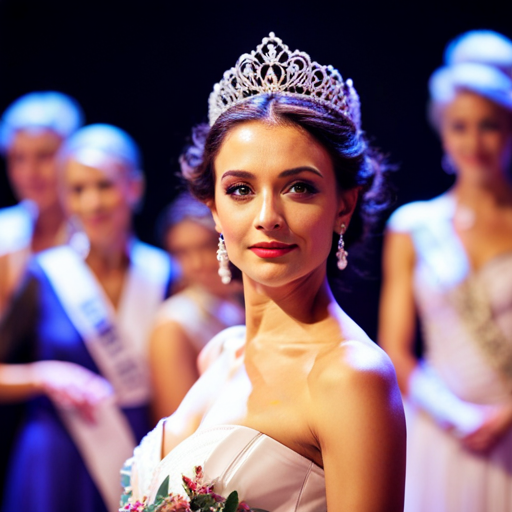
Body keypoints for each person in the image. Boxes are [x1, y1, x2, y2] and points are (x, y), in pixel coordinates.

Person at [121, 33, 405, 512]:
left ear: (344, 205)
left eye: (298, 187)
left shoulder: (350, 378)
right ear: (212, 207)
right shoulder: (219, 352)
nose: (268, 216)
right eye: (240, 190)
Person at [0, 124, 173, 512]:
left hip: (138, 456)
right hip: (54, 464)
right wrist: (42, 375)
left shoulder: (164, 275)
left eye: (104, 186)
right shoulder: (44, 275)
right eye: (77, 190)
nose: (92, 203)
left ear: (135, 188)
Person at [379, 30, 512, 512]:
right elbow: (396, 347)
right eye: (460, 126)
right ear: (443, 132)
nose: (474, 142)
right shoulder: (413, 226)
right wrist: (455, 416)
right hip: (441, 431)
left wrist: (504, 418)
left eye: (489, 126)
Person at [149, 193, 244, 422]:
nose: (197, 264)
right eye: (182, 253)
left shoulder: (238, 305)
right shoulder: (173, 325)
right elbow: (177, 431)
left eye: (206, 246)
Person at [0, 91, 84, 317]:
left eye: (44, 156)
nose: (30, 173)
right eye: (19, 158)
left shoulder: (95, 232)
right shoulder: (3, 231)